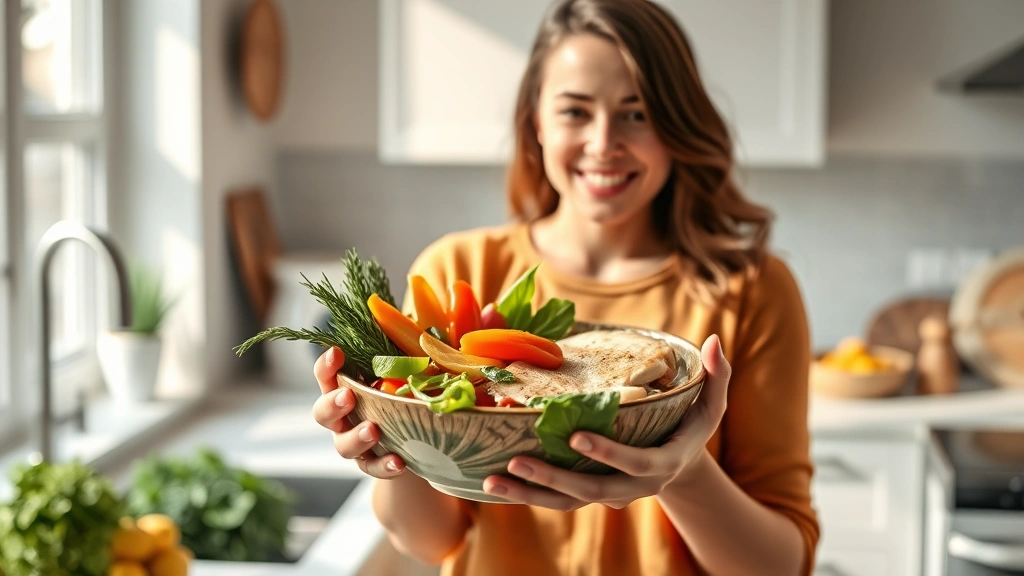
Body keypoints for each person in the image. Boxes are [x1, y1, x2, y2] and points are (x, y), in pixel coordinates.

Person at [312, 0, 818, 574]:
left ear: (676, 125)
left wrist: (685, 470)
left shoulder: (752, 291)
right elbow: (427, 543)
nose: (604, 143)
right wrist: (392, 439)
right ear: (536, 123)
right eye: (576, 112)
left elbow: (780, 564)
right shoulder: (462, 268)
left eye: (637, 113)